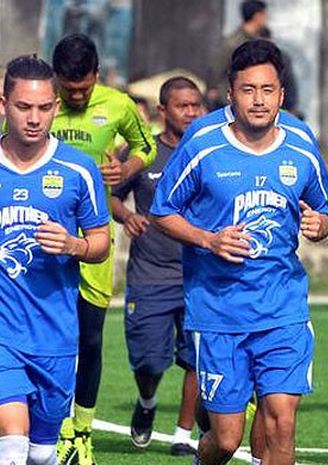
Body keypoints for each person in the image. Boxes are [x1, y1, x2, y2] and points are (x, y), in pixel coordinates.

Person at [150, 39, 328, 465]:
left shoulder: (301, 141)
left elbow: (323, 208)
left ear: (282, 94)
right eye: (248, 90)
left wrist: (319, 225)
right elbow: (162, 212)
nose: (258, 100)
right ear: (230, 93)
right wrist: (209, 240)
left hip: (282, 308)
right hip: (218, 312)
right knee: (227, 441)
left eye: (268, 90)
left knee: (281, 424)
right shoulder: (203, 141)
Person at [51, 33, 156, 465]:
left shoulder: (117, 104)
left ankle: (82, 433)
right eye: (67, 88)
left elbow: (146, 145)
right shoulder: (40, 104)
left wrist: (125, 167)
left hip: (93, 238)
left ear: (97, 74)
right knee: (52, 339)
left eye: (83, 87)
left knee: (90, 339)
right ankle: (54, 430)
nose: (75, 95)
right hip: (40, 242)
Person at [0, 55, 110, 465]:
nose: (34, 118)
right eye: (23, 107)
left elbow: (100, 242)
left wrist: (73, 246)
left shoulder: (78, 169)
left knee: (42, 454)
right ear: (3, 104)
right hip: (3, 335)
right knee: (12, 441)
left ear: (56, 107)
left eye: (44, 108)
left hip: (56, 336)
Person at [110, 77, 205, 456]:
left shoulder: (208, 150)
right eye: (183, 106)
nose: (191, 112)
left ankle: (183, 433)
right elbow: (111, 195)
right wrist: (126, 216)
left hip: (199, 275)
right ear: (163, 111)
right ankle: (147, 402)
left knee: (196, 359)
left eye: (196, 105)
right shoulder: (142, 153)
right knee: (149, 360)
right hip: (150, 275)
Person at [209, 0, 268, 99]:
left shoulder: (259, 39)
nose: (266, 18)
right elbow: (217, 68)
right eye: (264, 15)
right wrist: (213, 89)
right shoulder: (234, 42)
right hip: (231, 98)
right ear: (257, 16)